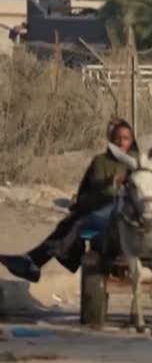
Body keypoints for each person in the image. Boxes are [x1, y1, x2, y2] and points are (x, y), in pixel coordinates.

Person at [0, 119, 138, 282]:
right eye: (117, 138)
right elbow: (93, 190)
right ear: (111, 139)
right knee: (70, 223)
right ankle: (33, 262)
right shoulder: (101, 161)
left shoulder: (139, 163)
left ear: (132, 140)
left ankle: (33, 262)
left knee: (77, 224)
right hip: (101, 211)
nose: (121, 142)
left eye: (126, 138)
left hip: (128, 215)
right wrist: (111, 184)